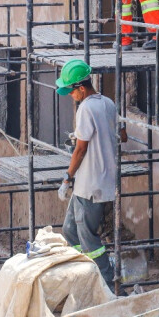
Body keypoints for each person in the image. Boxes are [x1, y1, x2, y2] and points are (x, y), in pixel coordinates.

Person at [55, 59, 124, 288]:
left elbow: (81, 149)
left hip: (91, 183)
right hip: (96, 181)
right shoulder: (108, 103)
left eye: (71, 91)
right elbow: (120, 135)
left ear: (81, 88)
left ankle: (107, 283)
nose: (70, 96)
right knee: (69, 230)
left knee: (88, 238)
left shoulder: (85, 108)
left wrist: (67, 177)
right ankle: (81, 271)